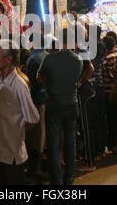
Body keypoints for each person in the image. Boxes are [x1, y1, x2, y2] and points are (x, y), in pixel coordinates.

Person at [0, 40, 39, 185]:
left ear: (8, 59)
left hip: (12, 154)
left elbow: (33, 119)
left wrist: (15, 133)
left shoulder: (18, 85)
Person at [37, 28, 83, 185]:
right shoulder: (78, 60)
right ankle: (69, 177)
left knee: (54, 143)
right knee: (70, 141)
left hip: (54, 104)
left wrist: (50, 79)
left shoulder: (49, 59)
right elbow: (76, 78)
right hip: (72, 103)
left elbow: (39, 78)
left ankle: (56, 180)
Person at [25, 34, 48, 177]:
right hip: (47, 98)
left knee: (37, 136)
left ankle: (36, 169)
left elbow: (30, 83)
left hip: (37, 99)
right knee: (44, 135)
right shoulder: (48, 56)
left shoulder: (32, 58)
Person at [100, 36, 117, 153]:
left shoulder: (109, 58)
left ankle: (113, 144)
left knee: (112, 119)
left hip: (110, 92)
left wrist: (112, 90)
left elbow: (114, 77)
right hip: (113, 91)